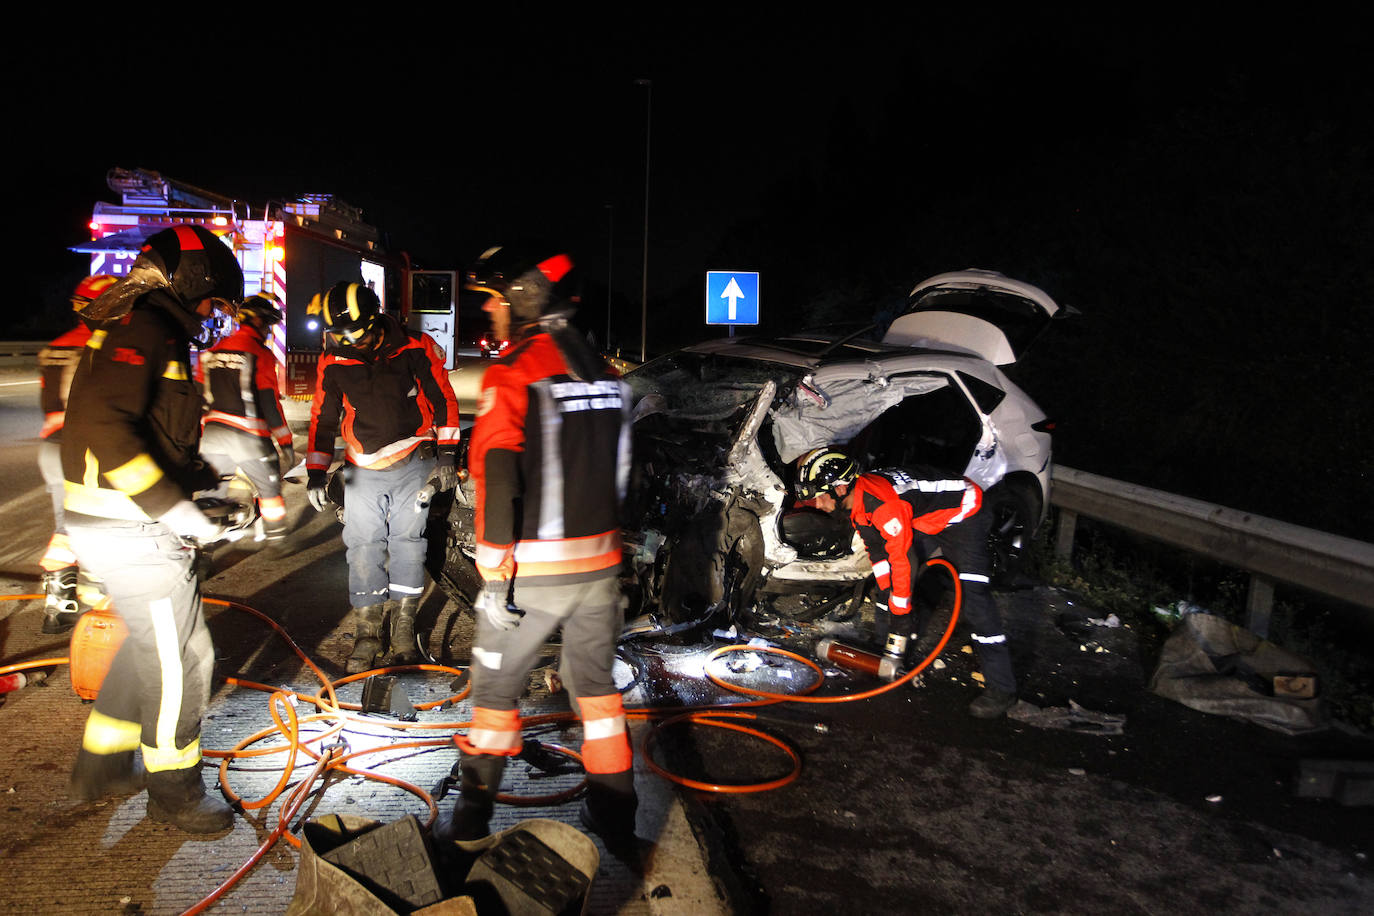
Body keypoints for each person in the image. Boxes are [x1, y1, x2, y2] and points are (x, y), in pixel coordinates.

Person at [434, 245, 637, 854]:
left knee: (495, 698)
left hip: (533, 578)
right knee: (597, 695)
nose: (492, 312)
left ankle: (468, 826)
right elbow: (624, 473)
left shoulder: (516, 372)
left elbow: (499, 475)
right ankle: (616, 817)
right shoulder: (604, 373)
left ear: (521, 301)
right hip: (600, 570)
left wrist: (493, 575)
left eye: (495, 301)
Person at [61, 224, 243, 832]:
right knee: (184, 659)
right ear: (197, 280)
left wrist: (201, 480)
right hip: (132, 530)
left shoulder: (140, 324)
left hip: (117, 522)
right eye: (216, 301)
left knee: (149, 645)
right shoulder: (147, 327)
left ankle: (106, 762)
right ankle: (175, 792)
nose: (215, 316)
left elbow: (153, 432)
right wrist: (182, 512)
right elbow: (110, 431)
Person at [305, 281, 461, 672]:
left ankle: (404, 626)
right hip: (362, 469)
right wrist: (315, 471)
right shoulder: (335, 359)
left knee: (408, 542)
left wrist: (445, 456)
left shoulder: (414, 348)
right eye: (344, 338)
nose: (353, 344)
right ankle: (368, 631)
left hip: (413, 462)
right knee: (362, 546)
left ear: (377, 321)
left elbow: (443, 401)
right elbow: (322, 418)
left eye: (359, 336)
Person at [796, 448, 1019, 718]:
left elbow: (903, 561)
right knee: (888, 588)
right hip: (925, 518)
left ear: (840, 488)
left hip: (965, 513)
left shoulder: (882, 505)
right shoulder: (858, 500)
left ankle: (1002, 688)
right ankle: (886, 652)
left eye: (819, 497)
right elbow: (878, 552)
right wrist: (888, 592)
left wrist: (900, 614)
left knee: (974, 599)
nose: (817, 505)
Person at [35, 275, 116, 633]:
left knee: (65, 525)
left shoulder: (53, 348)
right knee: (100, 523)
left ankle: (58, 603)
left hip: (51, 446)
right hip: (86, 448)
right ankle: (97, 604)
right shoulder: (109, 347)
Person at [197, 292, 295, 540]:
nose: (269, 332)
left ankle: (205, 547)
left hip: (211, 436)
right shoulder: (260, 354)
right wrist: (285, 442)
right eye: (269, 326)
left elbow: (198, 398)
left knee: (210, 494)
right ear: (261, 323)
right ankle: (277, 541)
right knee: (270, 488)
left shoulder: (212, 352)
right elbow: (270, 404)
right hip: (248, 437)